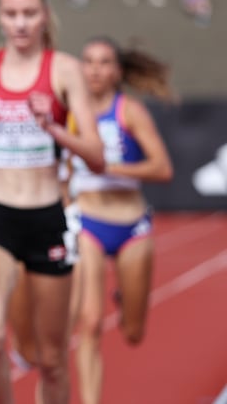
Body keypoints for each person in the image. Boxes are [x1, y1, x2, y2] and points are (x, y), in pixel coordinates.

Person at [0, 0, 104, 404]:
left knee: (52, 360)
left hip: (47, 219)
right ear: (0, 16)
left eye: (29, 13)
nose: (20, 23)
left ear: (44, 16)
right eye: (12, 14)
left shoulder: (66, 70)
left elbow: (96, 154)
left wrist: (52, 125)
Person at [68, 37, 174, 404]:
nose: (95, 69)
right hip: (87, 223)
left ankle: (125, 298)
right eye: (89, 61)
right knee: (90, 323)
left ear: (117, 72)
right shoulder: (69, 111)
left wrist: (109, 166)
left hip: (131, 225)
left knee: (133, 331)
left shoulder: (128, 111)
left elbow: (162, 167)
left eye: (104, 62)